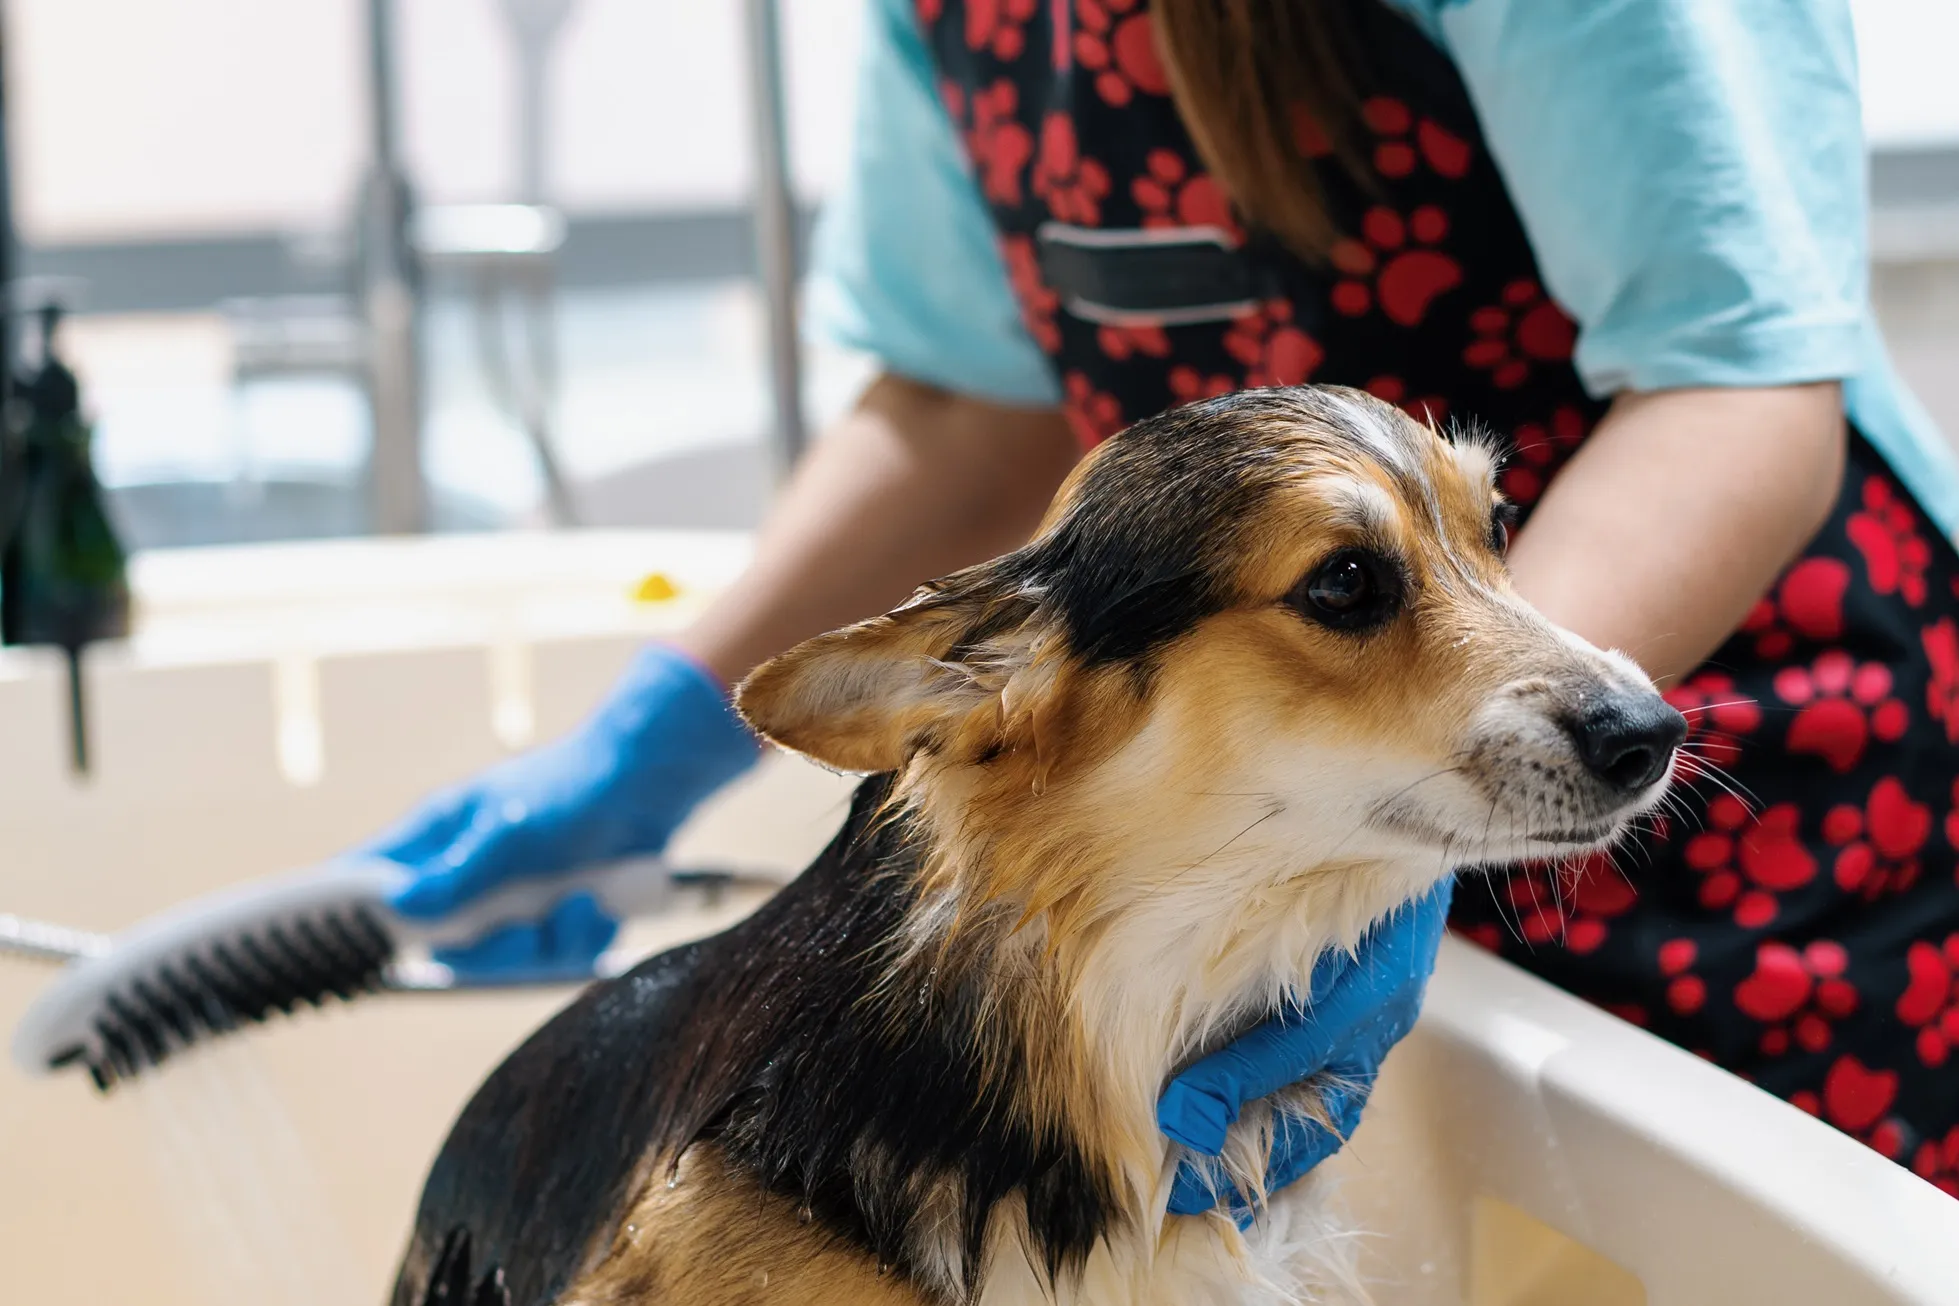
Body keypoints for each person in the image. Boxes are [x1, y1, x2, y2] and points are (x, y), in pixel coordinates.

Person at [368, 0, 1959, 1207]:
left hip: (1753, 800)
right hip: (1276, 835)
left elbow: (1729, 376)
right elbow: (961, 402)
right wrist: (656, 737)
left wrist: (1459, 762)